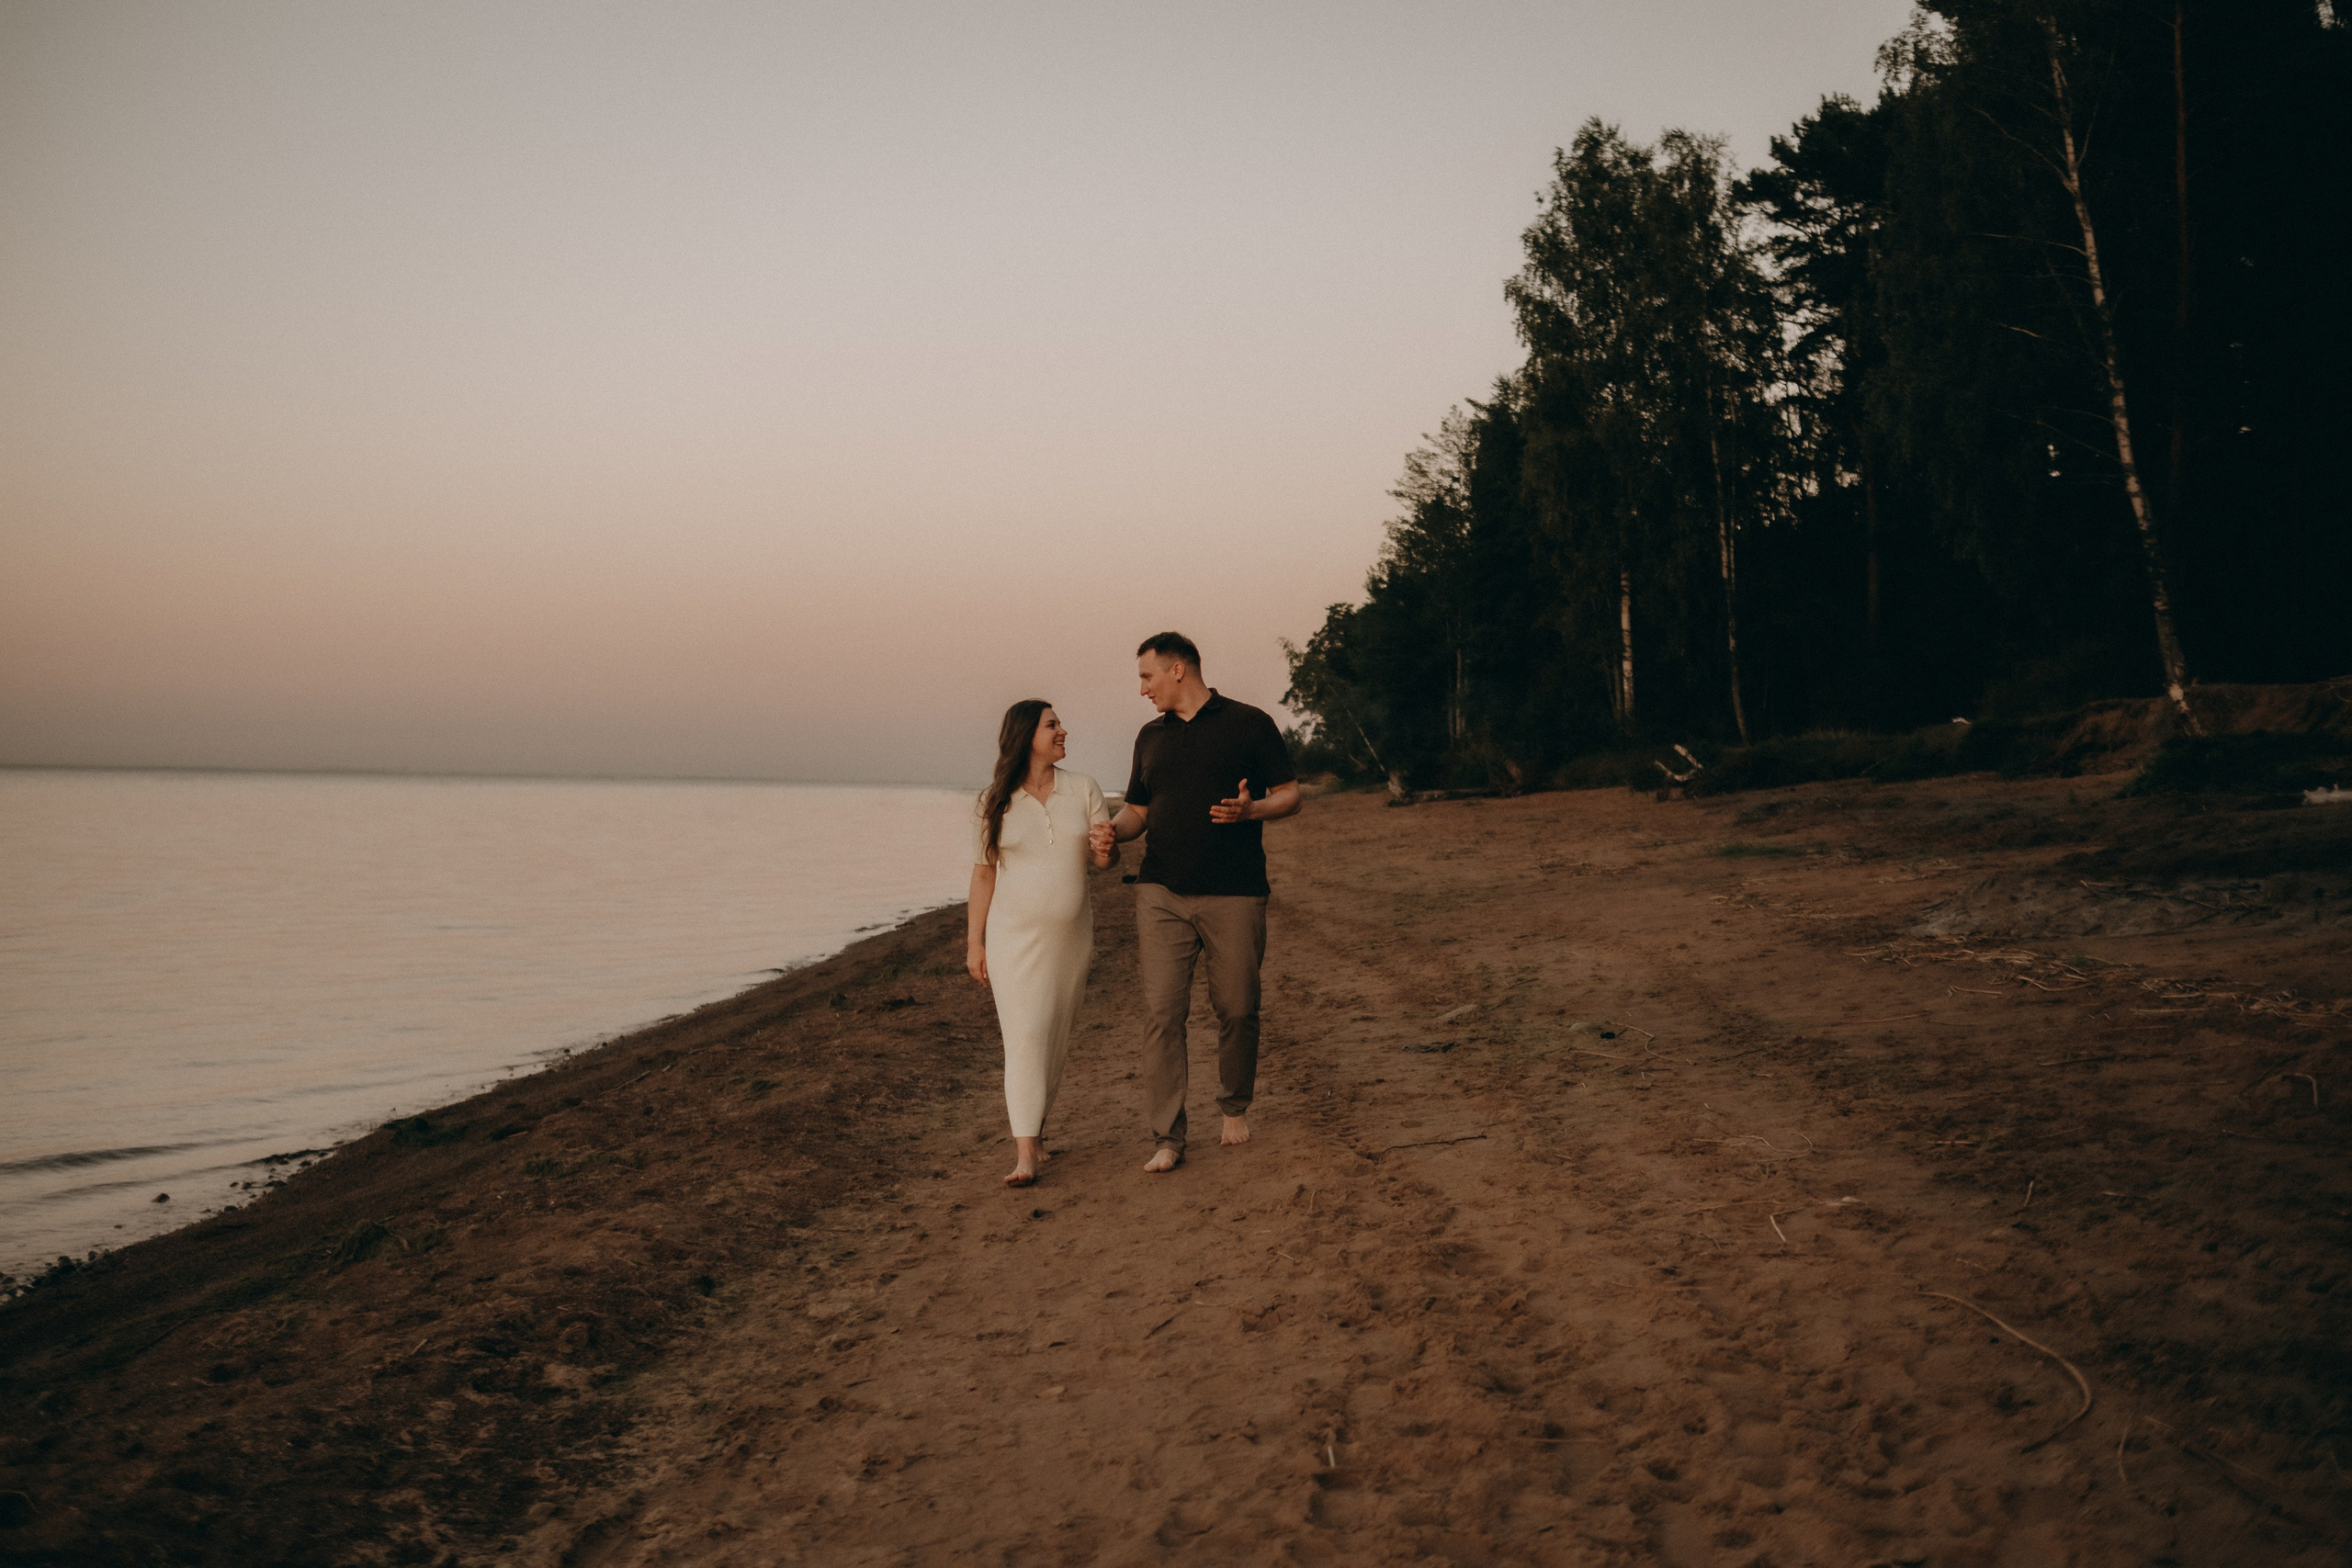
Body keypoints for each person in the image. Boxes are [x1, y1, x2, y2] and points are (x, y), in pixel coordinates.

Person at [1102, 633, 1299, 1173]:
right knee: (1163, 1014)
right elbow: (1137, 811)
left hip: (1235, 891)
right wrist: (1111, 833)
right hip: (1161, 891)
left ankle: (1235, 1106)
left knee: (1237, 1007)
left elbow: (1290, 794)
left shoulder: (1249, 723)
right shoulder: (1149, 737)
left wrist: (1251, 811)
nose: (1142, 689)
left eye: (1148, 677)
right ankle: (1168, 1137)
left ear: (1179, 670)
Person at [966, 700, 1115, 1187]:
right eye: (1053, 725)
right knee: (1026, 1035)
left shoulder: (1084, 788)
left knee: (1054, 1039)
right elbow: (984, 874)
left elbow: (1103, 863)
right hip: (1012, 940)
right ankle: (1025, 1152)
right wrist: (975, 944)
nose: (1063, 731)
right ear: (1027, 733)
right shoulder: (994, 801)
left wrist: (1106, 850)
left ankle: (1037, 1129)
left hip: (1073, 940)